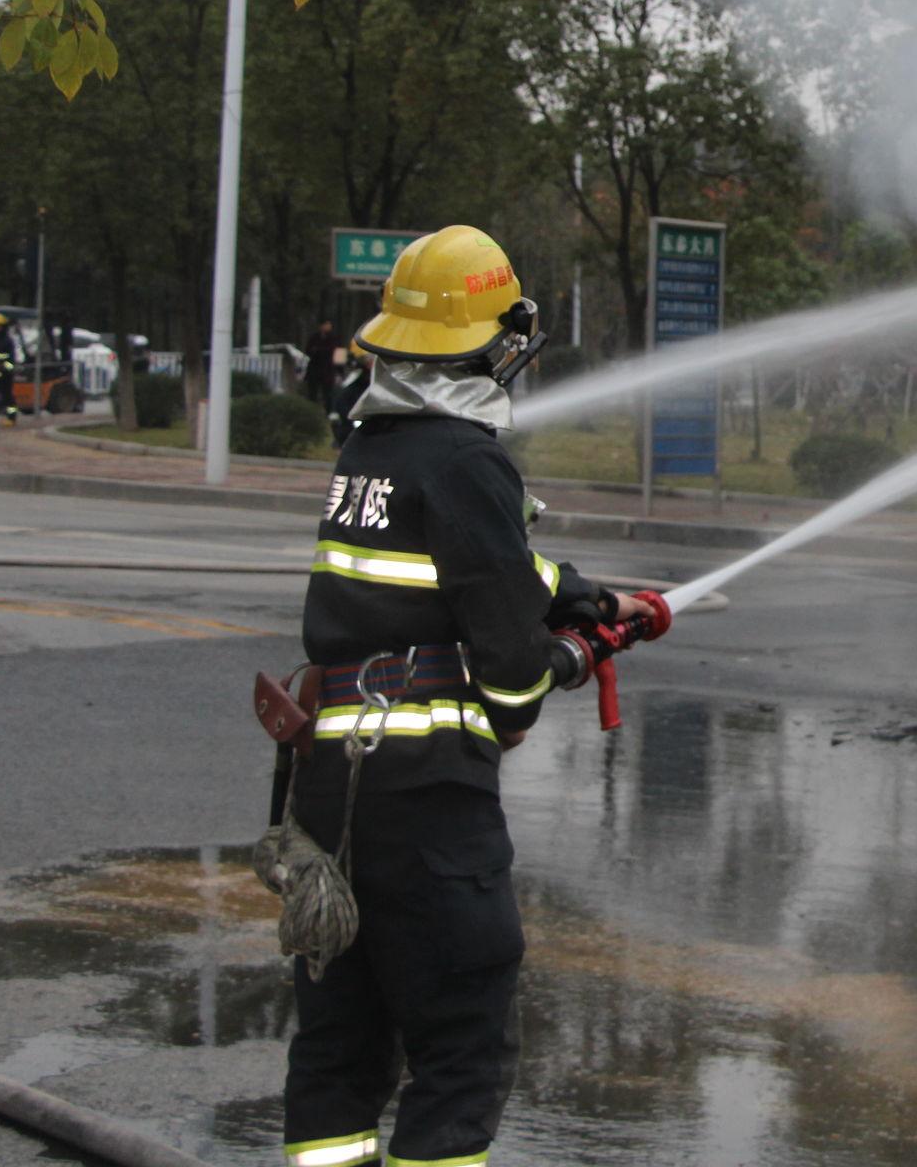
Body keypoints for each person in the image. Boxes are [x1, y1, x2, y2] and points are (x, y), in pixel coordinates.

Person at [278, 225, 663, 1167]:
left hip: (326, 788)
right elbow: (511, 677)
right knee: (459, 1043)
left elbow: (466, 565)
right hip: (424, 801)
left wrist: (589, 599)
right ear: (487, 347)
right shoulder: (467, 462)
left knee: (341, 1039)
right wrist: (571, 653)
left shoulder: (369, 450)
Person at [303, 319, 343, 411]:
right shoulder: (314, 338)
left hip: (328, 370)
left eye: (329, 324)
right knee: (312, 394)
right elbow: (309, 351)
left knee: (328, 395)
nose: (327, 326)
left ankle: (328, 412)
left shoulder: (334, 339)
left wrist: (340, 371)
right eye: (325, 324)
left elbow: (339, 354)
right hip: (315, 369)